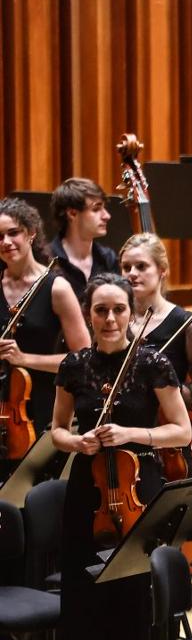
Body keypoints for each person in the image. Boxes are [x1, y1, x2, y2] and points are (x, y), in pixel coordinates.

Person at [49, 274, 191, 640]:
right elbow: (58, 429)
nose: (110, 319)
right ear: (88, 313)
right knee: (86, 602)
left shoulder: (152, 363)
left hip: (138, 489)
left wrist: (132, 434)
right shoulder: (74, 365)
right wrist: (78, 442)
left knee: (135, 602)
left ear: (132, 312)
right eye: (100, 310)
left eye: (118, 310)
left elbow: (182, 431)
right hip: (87, 492)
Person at [0, 196, 91, 474]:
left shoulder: (56, 288)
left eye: (13, 233)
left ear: (31, 233)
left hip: (39, 406)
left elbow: (83, 358)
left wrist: (24, 359)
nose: (6, 242)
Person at [119, 233, 192, 413]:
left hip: (166, 424)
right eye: (126, 267)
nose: (131, 273)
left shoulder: (185, 324)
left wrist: (166, 392)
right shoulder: (114, 320)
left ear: (162, 270)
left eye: (141, 266)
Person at [48, 177, 120, 300]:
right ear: (72, 213)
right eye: (96, 209)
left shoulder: (109, 259)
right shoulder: (47, 260)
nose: (107, 216)